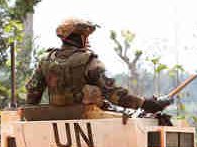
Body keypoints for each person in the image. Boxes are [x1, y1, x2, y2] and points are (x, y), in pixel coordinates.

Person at [26, 18, 172, 113]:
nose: (88, 41)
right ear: (81, 38)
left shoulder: (45, 60)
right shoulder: (89, 61)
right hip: (88, 120)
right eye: (86, 37)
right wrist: (145, 103)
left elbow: (32, 94)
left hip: (54, 121)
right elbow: (113, 93)